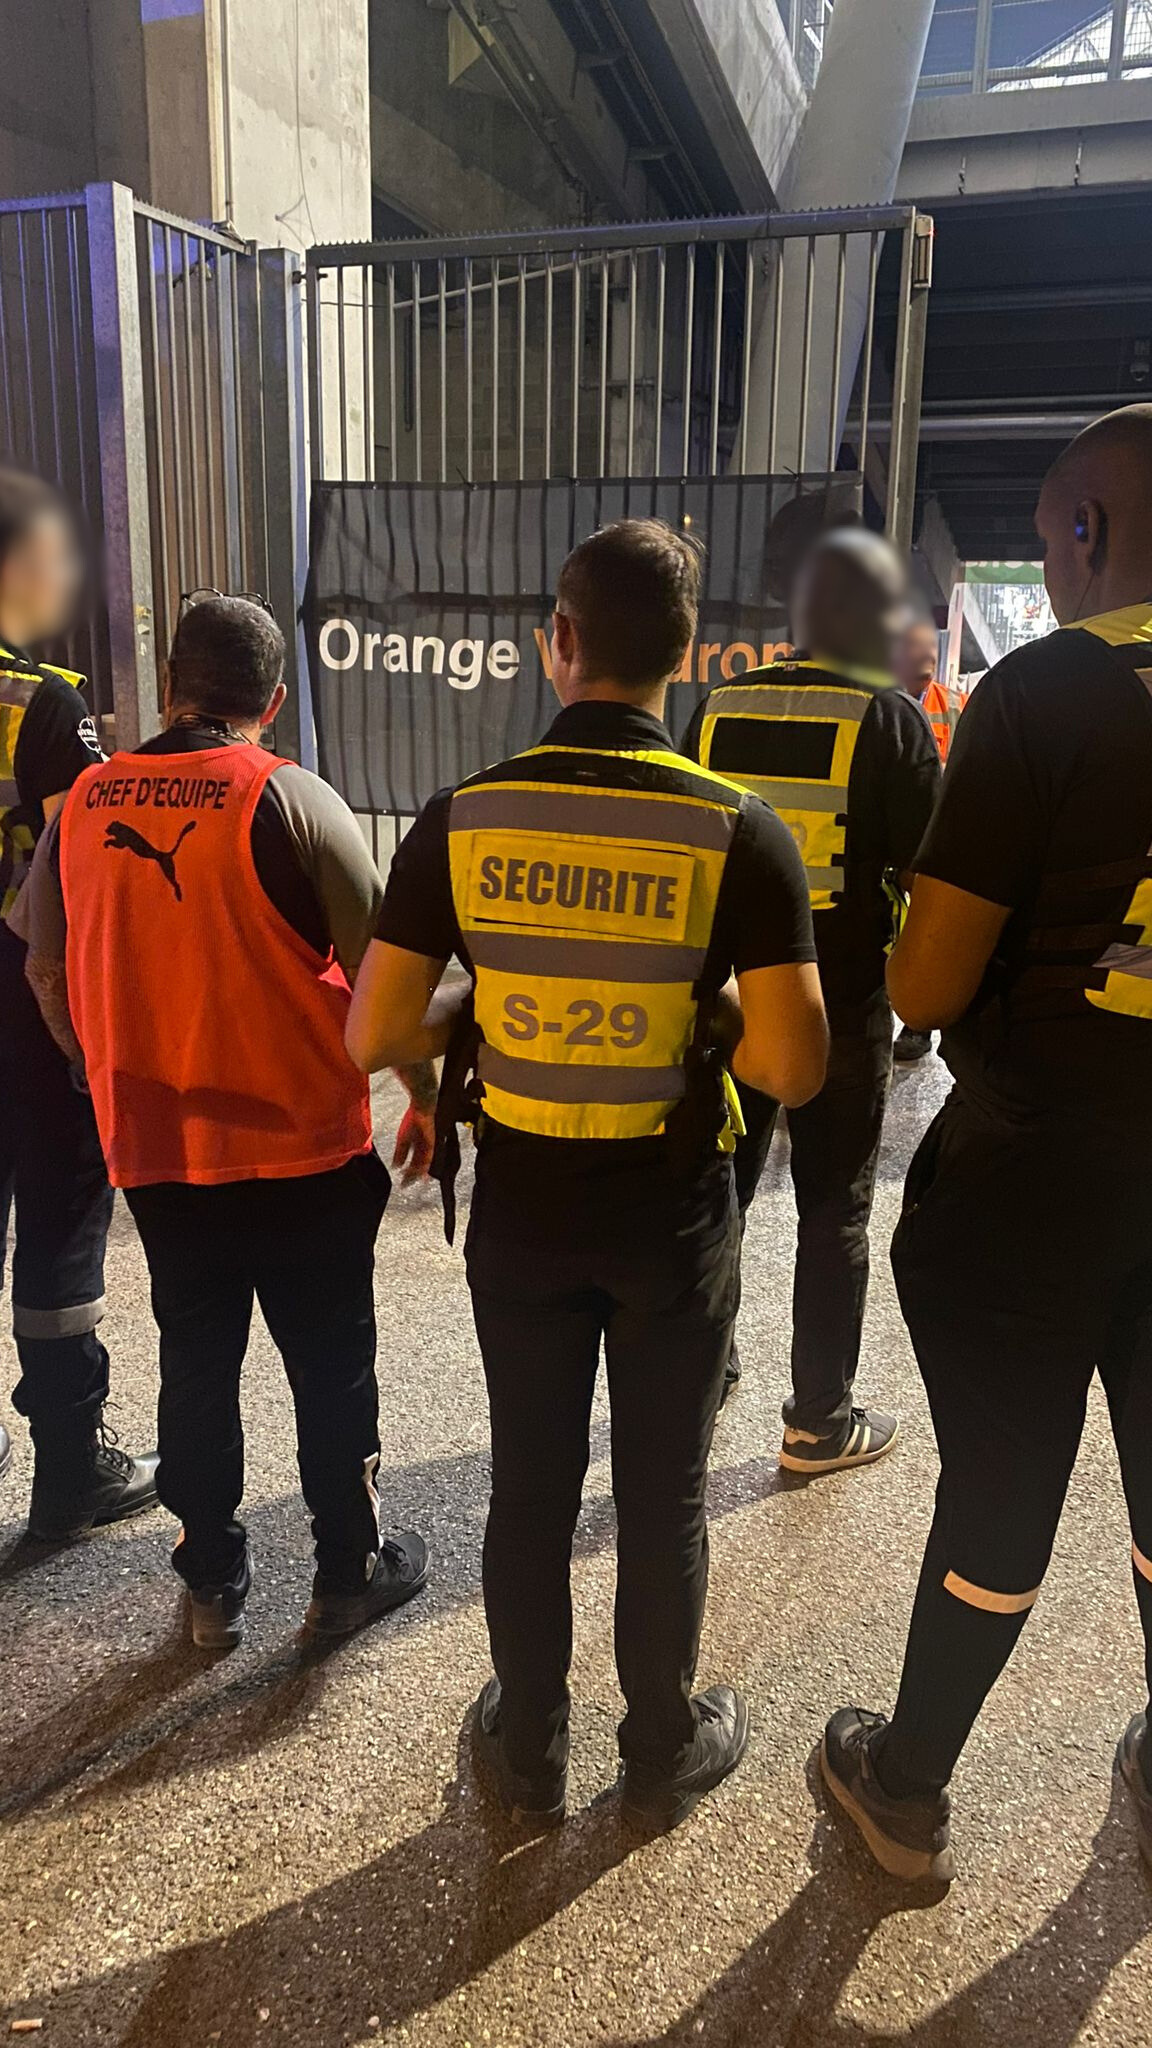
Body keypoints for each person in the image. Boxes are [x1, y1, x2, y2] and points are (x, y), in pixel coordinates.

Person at [346, 519, 828, 1830]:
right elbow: (792, 1067)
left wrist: (473, 1014)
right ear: (688, 650)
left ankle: (529, 1746)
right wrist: (709, 1009)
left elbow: (373, 1033)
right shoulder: (739, 831)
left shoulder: (463, 817)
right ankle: (662, 1743)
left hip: (525, 1210)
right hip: (672, 1215)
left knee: (531, 1483)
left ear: (556, 643)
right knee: (664, 1491)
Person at [822, 403, 1152, 1885]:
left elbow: (929, 984)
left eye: (1052, 541)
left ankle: (905, 1787)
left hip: (1037, 1173)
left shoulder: (1048, 691)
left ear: (1088, 528)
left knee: (1005, 1487)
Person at [19, 593, 431, 1646]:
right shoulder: (292, 799)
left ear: (169, 686)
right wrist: (427, 1096)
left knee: (196, 1360)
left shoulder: (85, 803)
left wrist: (100, 1073)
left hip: (160, 1152)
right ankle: (347, 1572)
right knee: (329, 1364)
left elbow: (46, 971)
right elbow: (385, 988)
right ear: (273, 699)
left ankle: (209, 1583)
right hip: (304, 1151)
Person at [684, 529, 941, 1465]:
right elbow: (932, 873)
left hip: (729, 1004)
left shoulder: (716, 708)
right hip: (841, 1005)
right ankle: (819, 1419)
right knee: (834, 1206)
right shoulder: (888, 719)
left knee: (722, 1189)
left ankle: (703, 1375)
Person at [0, 465, 156, 1537]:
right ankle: (69, 1471)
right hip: (25, 1016)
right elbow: (86, 876)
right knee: (58, 1228)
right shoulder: (42, 705)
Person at [892, 616, 952, 1064]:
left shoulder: (956, 704)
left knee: (930, 931)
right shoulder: (880, 705)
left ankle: (920, 1023)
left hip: (942, 837)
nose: (926, 652)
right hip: (900, 834)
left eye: (930, 643)